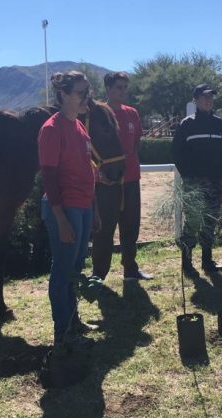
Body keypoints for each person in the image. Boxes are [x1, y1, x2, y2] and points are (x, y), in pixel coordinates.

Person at [38, 71, 99, 350]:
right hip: (65, 209)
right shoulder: (52, 129)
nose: (87, 97)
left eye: (88, 91)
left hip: (83, 207)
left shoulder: (79, 127)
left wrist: (93, 210)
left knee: (75, 269)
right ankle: (62, 331)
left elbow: (88, 170)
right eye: (81, 92)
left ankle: (73, 320)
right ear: (63, 95)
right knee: (62, 271)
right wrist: (61, 219)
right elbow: (49, 179)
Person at [91, 71, 154, 282]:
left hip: (131, 179)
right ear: (108, 89)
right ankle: (99, 274)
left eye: (125, 87)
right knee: (104, 229)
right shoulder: (99, 113)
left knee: (131, 225)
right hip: (106, 182)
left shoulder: (132, 113)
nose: (123, 91)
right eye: (119, 87)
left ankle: (130, 269)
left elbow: (135, 143)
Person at [172, 83, 222, 274]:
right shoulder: (187, 125)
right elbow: (177, 154)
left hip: (215, 181)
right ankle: (187, 263)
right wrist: (190, 177)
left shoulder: (221, 125)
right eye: (204, 97)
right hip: (194, 183)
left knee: (210, 221)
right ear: (195, 100)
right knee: (194, 221)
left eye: (211, 96)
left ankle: (207, 261)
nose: (209, 100)